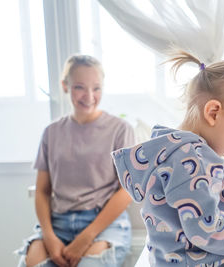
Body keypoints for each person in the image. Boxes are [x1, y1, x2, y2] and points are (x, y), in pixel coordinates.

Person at [112, 51, 224, 267]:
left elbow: (204, 203)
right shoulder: (191, 162)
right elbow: (207, 230)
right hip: (193, 261)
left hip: (178, 258)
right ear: (213, 113)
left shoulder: (177, 151)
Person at [16, 55, 135, 267]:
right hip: (57, 224)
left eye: (96, 88)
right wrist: (50, 237)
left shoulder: (120, 129)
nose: (89, 96)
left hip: (104, 225)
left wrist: (86, 237)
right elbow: (42, 191)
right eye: (80, 87)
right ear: (65, 86)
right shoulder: (51, 133)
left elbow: (126, 191)